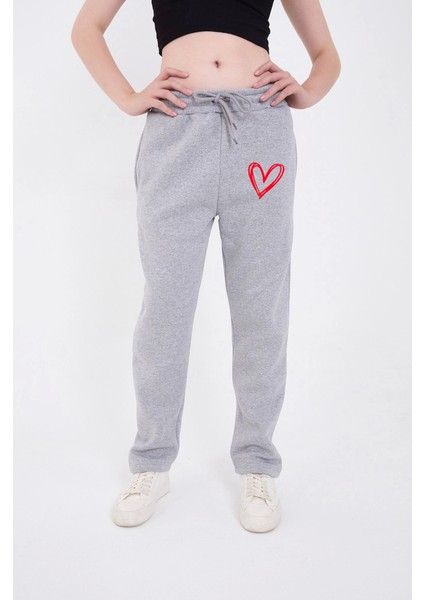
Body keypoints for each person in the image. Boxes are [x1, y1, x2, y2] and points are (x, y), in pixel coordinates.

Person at [71, 0, 340, 533]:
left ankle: (258, 462)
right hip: (176, 128)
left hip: (260, 128)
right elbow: (87, 27)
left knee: (261, 307)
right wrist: (128, 98)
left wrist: (307, 91)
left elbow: (326, 54)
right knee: (165, 309)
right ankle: (151, 463)